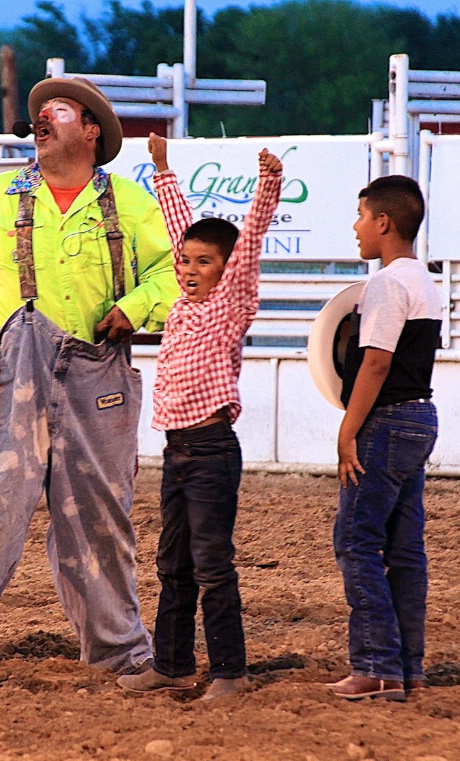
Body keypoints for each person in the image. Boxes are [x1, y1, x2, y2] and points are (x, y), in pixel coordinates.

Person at [0, 77, 179, 685]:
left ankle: (119, 649)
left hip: (95, 373)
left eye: (55, 111)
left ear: (91, 130)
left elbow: (172, 274)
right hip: (6, 372)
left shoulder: (129, 204)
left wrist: (134, 309)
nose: (39, 121)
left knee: (100, 517)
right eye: (37, 115)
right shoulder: (0, 195)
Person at [118, 134, 282, 700]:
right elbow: (176, 222)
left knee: (211, 563)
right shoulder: (184, 305)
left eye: (202, 262)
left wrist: (268, 185)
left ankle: (230, 674)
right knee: (173, 560)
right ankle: (171, 663)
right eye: (185, 261)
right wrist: (162, 168)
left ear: (226, 270)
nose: (188, 268)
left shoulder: (231, 301)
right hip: (178, 450)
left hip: (211, 449)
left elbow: (252, 240)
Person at [325, 175, 441, 702]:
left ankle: (375, 665)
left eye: (360, 216)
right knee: (405, 549)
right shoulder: (425, 281)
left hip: (386, 422)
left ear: (383, 223)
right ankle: (407, 667)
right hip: (420, 419)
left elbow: (374, 362)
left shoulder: (386, 283)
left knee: (356, 541)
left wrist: (348, 430)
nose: (356, 227)